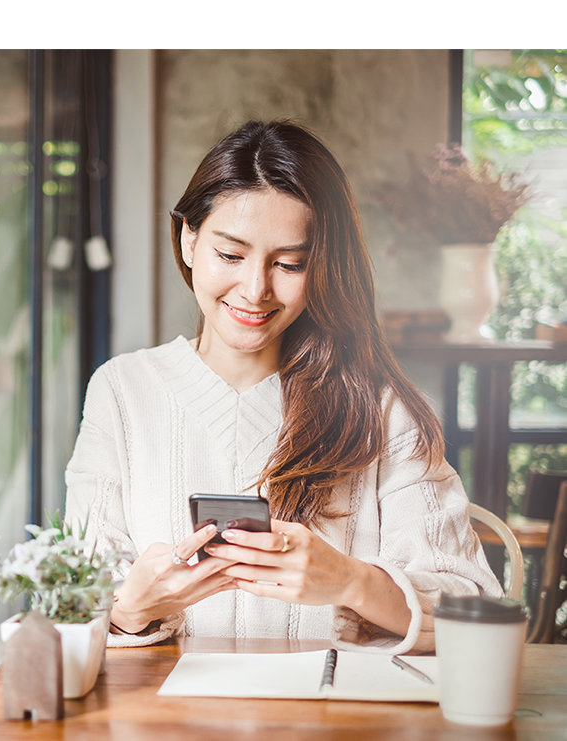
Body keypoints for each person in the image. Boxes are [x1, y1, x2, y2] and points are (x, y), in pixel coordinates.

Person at [64, 120, 501, 655]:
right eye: (230, 255)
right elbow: (69, 603)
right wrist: (131, 610)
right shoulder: (122, 392)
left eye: (290, 263)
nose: (255, 290)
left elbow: (477, 606)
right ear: (188, 240)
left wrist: (351, 582)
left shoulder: (379, 408)